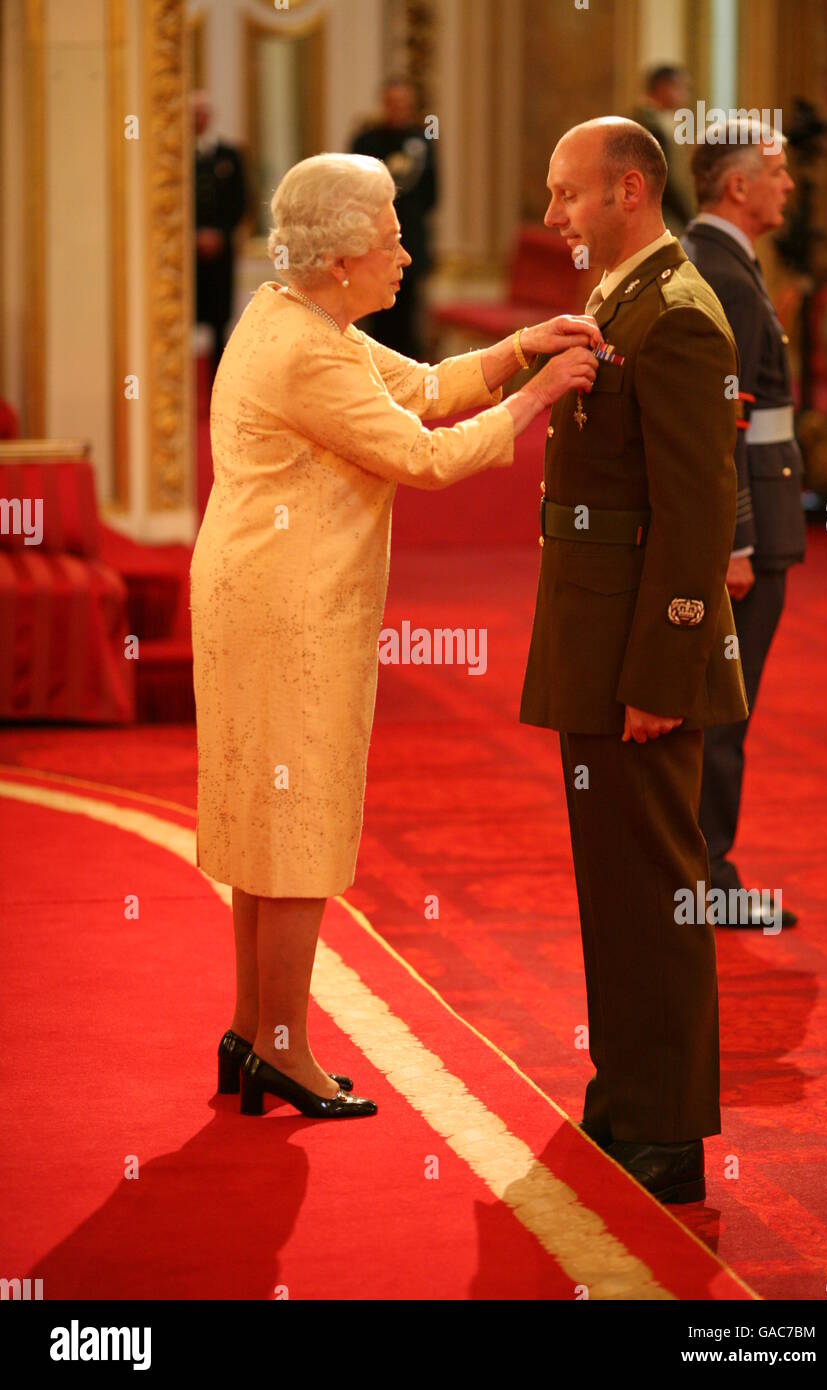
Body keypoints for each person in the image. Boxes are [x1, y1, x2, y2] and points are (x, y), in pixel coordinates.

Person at [189, 152, 601, 1121]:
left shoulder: (295, 317)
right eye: (391, 240)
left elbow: (417, 387)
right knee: (293, 826)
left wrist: (516, 350)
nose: (408, 256)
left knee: (266, 820)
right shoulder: (307, 346)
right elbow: (420, 455)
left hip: (261, 594)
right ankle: (281, 1047)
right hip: (287, 610)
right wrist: (537, 398)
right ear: (339, 261)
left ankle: (254, 1031)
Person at [519, 118, 748, 1203]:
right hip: (594, 645)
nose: (553, 215)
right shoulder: (618, 296)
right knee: (615, 890)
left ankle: (665, 1131)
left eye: (566, 195)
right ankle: (624, 1093)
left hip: (640, 665)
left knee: (658, 892)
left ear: (626, 188)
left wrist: (663, 676)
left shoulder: (678, 315)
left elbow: (695, 520)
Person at [681, 119, 805, 928]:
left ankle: (702, 872)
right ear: (738, 187)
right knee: (724, 710)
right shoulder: (722, 272)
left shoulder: (725, 262)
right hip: (748, 536)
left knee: (725, 707)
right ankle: (707, 879)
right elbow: (719, 422)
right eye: (778, 171)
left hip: (756, 524)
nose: (788, 185)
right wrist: (736, 540)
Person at [351, 78, 437, 358]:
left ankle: (410, 381)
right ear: (383, 104)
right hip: (372, 244)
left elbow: (433, 195)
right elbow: (354, 191)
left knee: (409, 318)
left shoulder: (424, 141)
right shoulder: (366, 141)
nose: (398, 108)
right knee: (377, 315)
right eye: (392, 103)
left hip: (411, 241)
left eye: (403, 103)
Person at [192, 91, 248, 370]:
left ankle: (218, 383)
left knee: (219, 322)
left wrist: (218, 234)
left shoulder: (230, 156)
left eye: (202, 112)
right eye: (193, 113)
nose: (198, 118)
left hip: (221, 252)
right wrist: (193, 236)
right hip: (186, 256)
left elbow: (240, 202)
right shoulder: (173, 157)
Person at [631, 65, 697, 236]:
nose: (685, 96)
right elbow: (663, 178)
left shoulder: (658, 121)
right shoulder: (649, 125)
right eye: (681, 88)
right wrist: (687, 217)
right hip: (654, 213)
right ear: (664, 87)